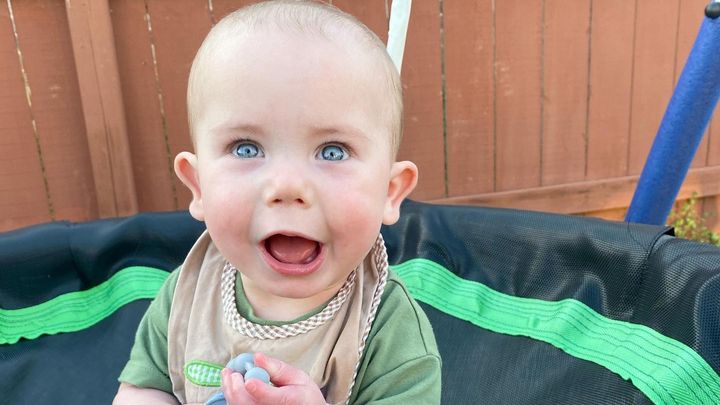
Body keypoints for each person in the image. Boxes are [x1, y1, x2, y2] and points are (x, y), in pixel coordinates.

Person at [113, 1, 441, 404]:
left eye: (333, 151)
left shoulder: (390, 330)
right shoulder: (188, 293)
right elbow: (144, 388)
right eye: (246, 148)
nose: (287, 185)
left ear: (389, 192)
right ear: (198, 186)